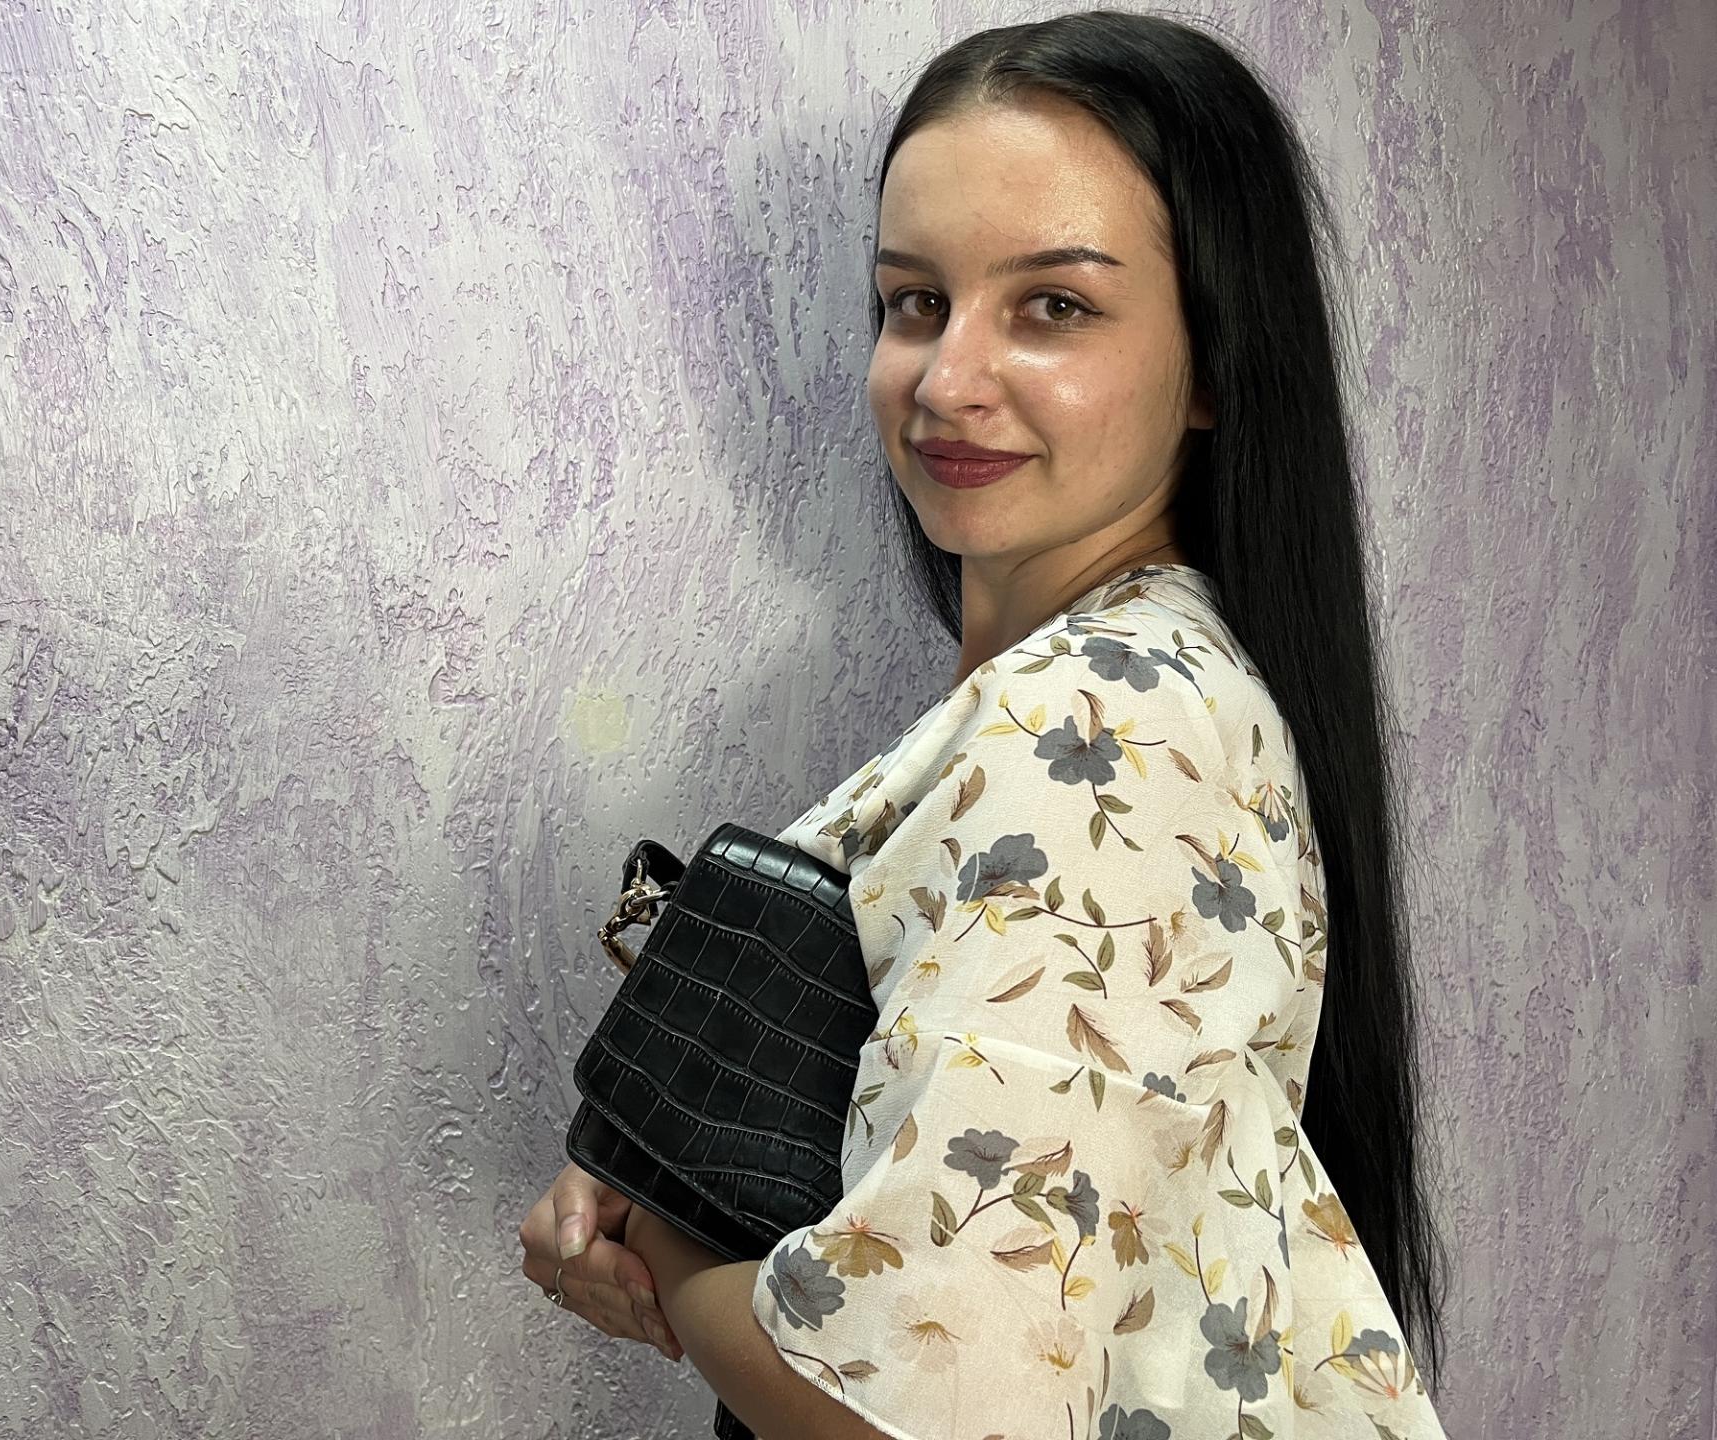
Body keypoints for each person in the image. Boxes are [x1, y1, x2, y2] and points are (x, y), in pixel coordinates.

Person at [520, 10, 1452, 1437]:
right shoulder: (1140, 688)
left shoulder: (1104, 725)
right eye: (914, 302)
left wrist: (665, 1235)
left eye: (1054, 307)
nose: (947, 380)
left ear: (1215, 364)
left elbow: (936, 1410)